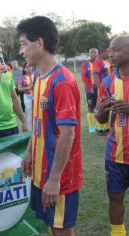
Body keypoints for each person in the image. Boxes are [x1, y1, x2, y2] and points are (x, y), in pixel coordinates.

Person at [17, 16, 82, 236]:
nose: (21, 51)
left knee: (61, 227)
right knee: (50, 225)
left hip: (59, 176)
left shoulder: (61, 81)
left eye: (24, 44)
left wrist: (54, 180)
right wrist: (28, 152)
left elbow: (67, 134)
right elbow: (39, 123)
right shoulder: (37, 77)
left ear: (40, 44)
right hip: (41, 170)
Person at [95, 35, 129, 236]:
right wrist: (102, 110)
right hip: (115, 153)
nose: (111, 54)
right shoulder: (107, 81)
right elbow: (100, 119)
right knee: (115, 196)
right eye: (109, 49)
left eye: (116, 49)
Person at [94, 48, 111, 135]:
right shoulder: (98, 61)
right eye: (107, 51)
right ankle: (99, 128)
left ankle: (106, 127)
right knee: (100, 105)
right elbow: (96, 75)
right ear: (102, 52)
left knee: (108, 104)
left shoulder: (106, 61)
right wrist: (99, 87)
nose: (108, 53)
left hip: (108, 86)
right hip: (102, 87)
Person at [81, 48, 99, 134]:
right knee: (90, 108)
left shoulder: (100, 63)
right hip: (89, 89)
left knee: (100, 107)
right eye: (91, 52)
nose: (93, 54)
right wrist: (90, 87)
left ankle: (99, 125)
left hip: (99, 89)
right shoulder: (85, 64)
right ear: (89, 53)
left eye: (95, 52)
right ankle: (91, 127)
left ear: (97, 53)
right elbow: (83, 77)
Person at [18, 63, 34, 130]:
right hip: (27, 97)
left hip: (37, 96)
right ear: (24, 69)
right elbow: (19, 88)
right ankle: (31, 130)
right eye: (27, 67)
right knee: (30, 113)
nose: (29, 68)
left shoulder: (36, 75)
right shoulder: (22, 77)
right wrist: (28, 88)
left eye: (30, 66)